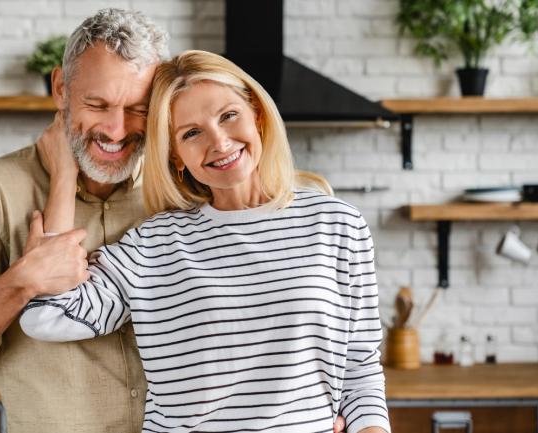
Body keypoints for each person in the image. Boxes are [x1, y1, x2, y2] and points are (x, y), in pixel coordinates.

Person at [21, 50, 390, 433]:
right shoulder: (154, 245)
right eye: (191, 133)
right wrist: (64, 174)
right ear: (176, 156)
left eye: (228, 116)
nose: (219, 142)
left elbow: (360, 370)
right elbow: (48, 316)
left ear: (257, 116)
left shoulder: (337, 224)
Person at [0, 9, 169, 433]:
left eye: (137, 108)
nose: (117, 129)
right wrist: (21, 281)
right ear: (61, 89)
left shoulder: (179, 189)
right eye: (97, 104)